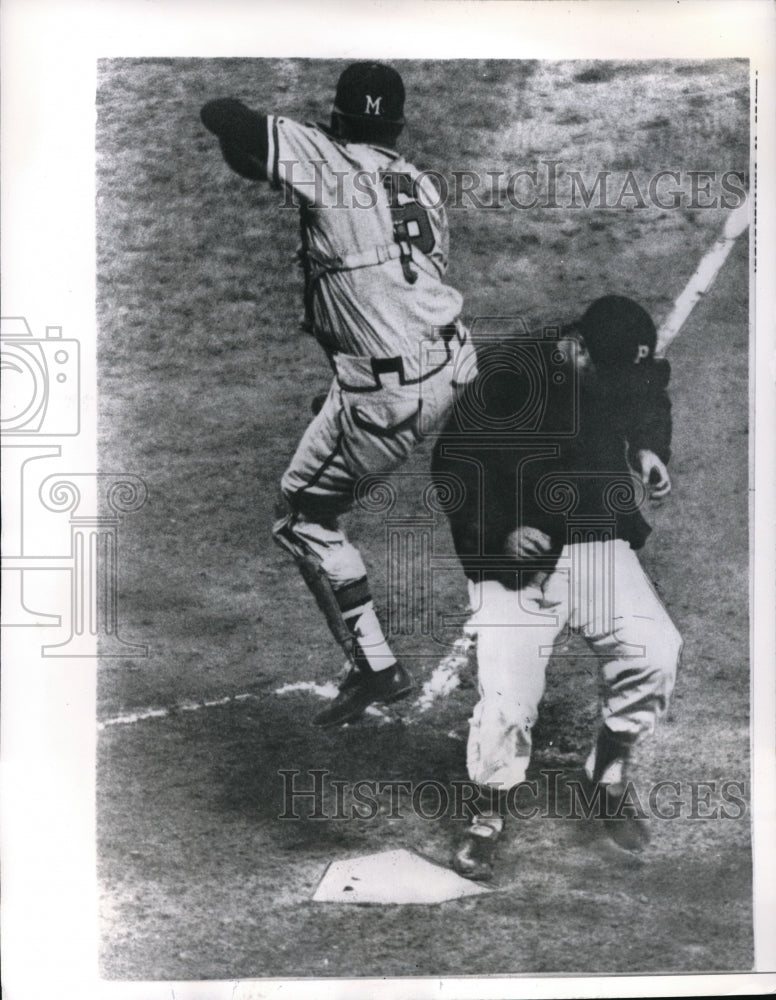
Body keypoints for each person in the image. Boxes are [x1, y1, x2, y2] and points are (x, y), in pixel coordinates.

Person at [201, 62, 478, 726]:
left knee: (300, 518)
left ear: (341, 119)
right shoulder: (418, 182)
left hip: (385, 397)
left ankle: (377, 666)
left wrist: (296, 136)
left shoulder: (323, 158)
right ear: (397, 125)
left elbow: (226, 117)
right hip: (453, 366)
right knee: (322, 455)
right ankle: (368, 665)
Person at [431, 295, 683, 879]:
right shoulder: (509, 379)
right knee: (507, 699)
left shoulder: (617, 362)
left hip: (595, 540)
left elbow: (648, 394)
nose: (620, 383)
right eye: (608, 371)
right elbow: (453, 466)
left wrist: (648, 448)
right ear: (577, 348)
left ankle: (606, 771)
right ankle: (487, 814)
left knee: (654, 653)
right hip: (515, 561)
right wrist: (501, 533)